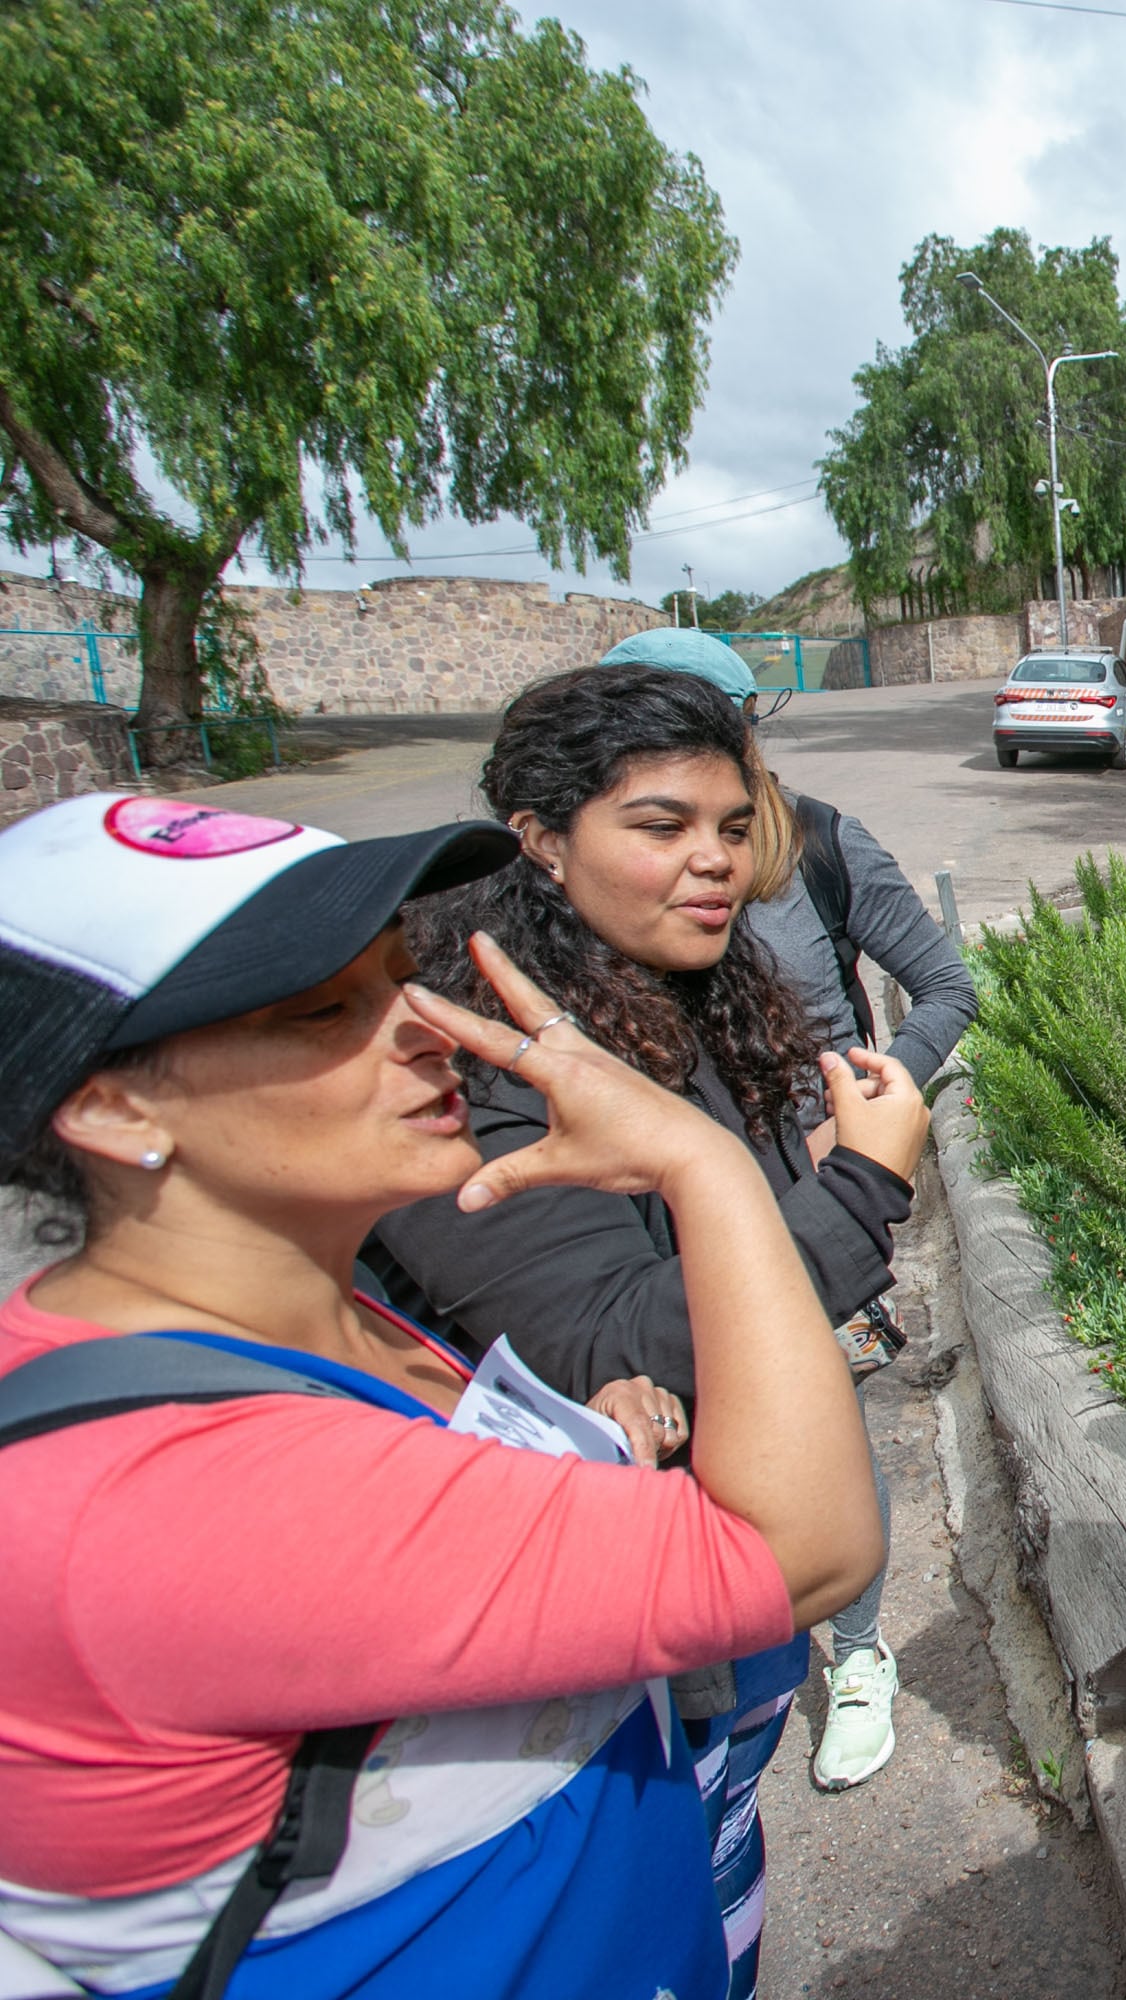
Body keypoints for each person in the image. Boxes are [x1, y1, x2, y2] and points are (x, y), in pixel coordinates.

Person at [0, 792, 883, 1998]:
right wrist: (702, 1160)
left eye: (402, 979)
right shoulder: (172, 1494)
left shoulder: (278, 1320)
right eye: (327, 1010)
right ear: (111, 1104)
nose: (431, 1031)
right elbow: (805, 1549)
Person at [369, 666, 930, 1992]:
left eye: (733, 829)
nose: (714, 862)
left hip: (725, 1601)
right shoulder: (482, 1054)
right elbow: (614, 1339)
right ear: (541, 838)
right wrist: (860, 1185)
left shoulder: (694, 991)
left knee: (715, 1914)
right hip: (607, 1651)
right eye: (662, 826)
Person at [599, 626, 981, 1091]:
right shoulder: (564, 879)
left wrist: (877, 1101)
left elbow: (946, 985)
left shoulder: (820, 841)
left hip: (828, 1159)